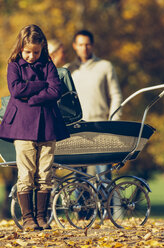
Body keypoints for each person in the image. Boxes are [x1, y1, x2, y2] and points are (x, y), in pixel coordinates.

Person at [0, 24, 70, 231]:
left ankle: (41, 217)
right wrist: (42, 85)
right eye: (27, 51)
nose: (31, 56)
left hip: (48, 125)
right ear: (20, 47)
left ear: (43, 48)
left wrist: (33, 95)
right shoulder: (14, 65)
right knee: (26, 172)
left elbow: (56, 90)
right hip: (23, 127)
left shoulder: (48, 64)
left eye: (36, 52)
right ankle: (28, 218)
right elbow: (16, 89)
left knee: (45, 173)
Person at [67, 30, 122, 178]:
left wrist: (113, 121)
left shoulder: (105, 66)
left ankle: (106, 202)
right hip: (77, 130)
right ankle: (82, 202)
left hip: (101, 128)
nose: (84, 48)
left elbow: (116, 95)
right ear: (74, 46)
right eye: (80, 45)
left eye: (87, 44)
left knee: (104, 178)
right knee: (79, 180)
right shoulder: (68, 70)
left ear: (92, 45)